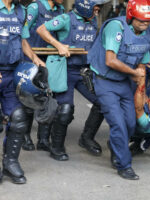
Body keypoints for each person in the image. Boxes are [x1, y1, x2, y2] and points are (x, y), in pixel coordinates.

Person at [87, 0, 150, 180]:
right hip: (105, 81)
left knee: (130, 124)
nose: (145, 24)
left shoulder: (146, 34)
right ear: (131, 15)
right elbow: (111, 60)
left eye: (148, 21)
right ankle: (124, 165)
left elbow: (142, 64)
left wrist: (142, 91)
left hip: (124, 83)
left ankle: (115, 145)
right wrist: (134, 72)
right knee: (118, 123)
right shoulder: (116, 27)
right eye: (141, 20)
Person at [37, 0, 104, 160]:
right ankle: (57, 147)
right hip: (64, 70)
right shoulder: (66, 19)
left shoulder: (93, 20)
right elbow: (41, 29)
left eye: (98, 10)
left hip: (83, 71)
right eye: (94, 9)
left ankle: (86, 138)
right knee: (65, 110)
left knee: (103, 102)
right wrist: (58, 45)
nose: (96, 13)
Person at [0, 0, 45, 184]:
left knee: (18, 118)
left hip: (13, 73)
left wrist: (35, 59)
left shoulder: (21, 11)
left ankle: (10, 162)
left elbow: (22, 40)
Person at [21, 0, 65, 152]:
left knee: (47, 98)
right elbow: (22, 32)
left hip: (50, 60)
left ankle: (43, 139)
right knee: (29, 99)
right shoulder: (35, 8)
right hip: (32, 58)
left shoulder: (61, 10)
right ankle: (25, 136)